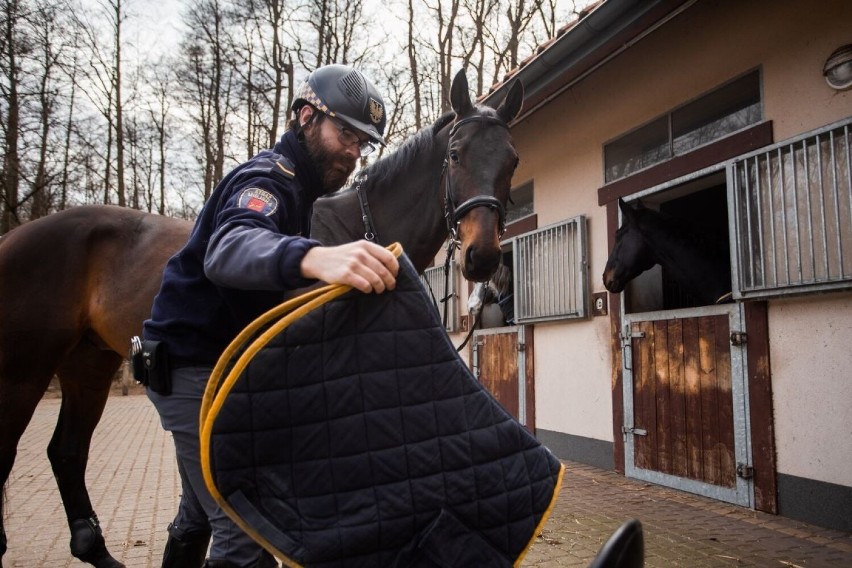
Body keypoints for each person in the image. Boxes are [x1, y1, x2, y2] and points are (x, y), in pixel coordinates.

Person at [142, 64, 399, 568]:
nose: (353, 151)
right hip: (193, 370)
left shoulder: (301, 193)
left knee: (197, 513)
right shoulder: (269, 178)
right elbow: (232, 247)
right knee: (243, 531)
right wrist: (315, 257)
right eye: (344, 132)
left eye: (362, 142)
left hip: (210, 368)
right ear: (306, 117)